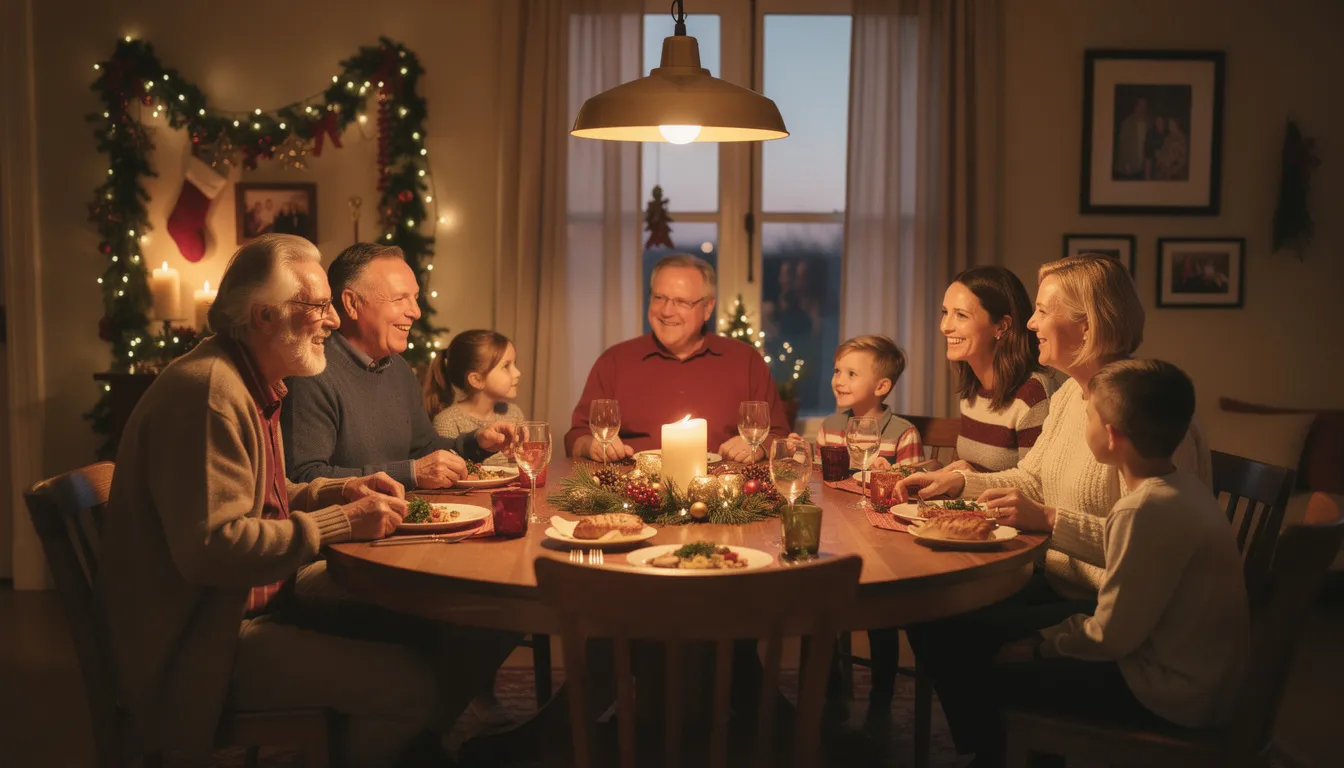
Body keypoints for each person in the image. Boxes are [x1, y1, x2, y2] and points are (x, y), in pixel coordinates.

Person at [94, 234, 479, 765]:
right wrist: (340, 522)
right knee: (410, 686)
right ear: (265, 316)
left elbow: (273, 495)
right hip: (204, 642)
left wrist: (343, 489)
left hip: (246, 603)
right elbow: (215, 547)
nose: (331, 321)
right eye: (317, 306)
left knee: (428, 618)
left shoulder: (253, 381)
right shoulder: (210, 394)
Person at [894, 253, 1212, 757]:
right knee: (933, 616)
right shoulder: (1069, 398)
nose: (1030, 323)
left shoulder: (1142, 415)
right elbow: (1033, 478)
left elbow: (1154, 548)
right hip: (1067, 584)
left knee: (967, 645)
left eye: (1043, 311)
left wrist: (1049, 522)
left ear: (1087, 326)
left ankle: (1007, 750)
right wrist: (958, 484)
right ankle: (992, 751)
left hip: (1121, 610)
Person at [973, 359, 1248, 766]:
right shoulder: (1184, 488)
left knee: (998, 673)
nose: (1083, 425)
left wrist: (1041, 647)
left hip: (1169, 691)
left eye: (1088, 417)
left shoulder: (1143, 511)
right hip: (1198, 678)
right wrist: (1047, 636)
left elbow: (1111, 636)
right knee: (1012, 642)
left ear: (1112, 436)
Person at [282, 242, 515, 490]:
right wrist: (410, 473)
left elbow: (423, 450)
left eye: (414, 298)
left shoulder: (398, 368)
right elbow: (304, 478)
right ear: (351, 304)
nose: (416, 312)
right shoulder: (311, 371)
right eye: (400, 298)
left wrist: (477, 443)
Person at [565, 253, 789, 463]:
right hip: (630, 488)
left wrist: (758, 446)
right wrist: (591, 445)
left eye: (681, 301)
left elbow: (780, 437)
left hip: (726, 487)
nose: (666, 311)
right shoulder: (615, 361)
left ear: (707, 308)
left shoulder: (745, 361)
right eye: (659, 298)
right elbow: (577, 438)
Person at [941, 266, 1058, 473]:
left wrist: (971, 479)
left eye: (961, 315)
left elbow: (1038, 484)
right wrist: (931, 469)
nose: (945, 326)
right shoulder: (973, 390)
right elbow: (971, 468)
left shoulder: (1033, 394)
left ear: (1002, 326)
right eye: (945, 312)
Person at [815, 334, 923, 470]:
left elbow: (911, 480)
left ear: (881, 387)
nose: (839, 381)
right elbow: (819, 475)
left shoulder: (905, 435)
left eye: (851, 374)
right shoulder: (829, 427)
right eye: (837, 371)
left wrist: (884, 473)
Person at [427, 329, 526, 460]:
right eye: (506, 366)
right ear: (477, 380)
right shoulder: (448, 422)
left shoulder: (513, 413)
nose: (517, 373)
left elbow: (524, 462)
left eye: (514, 364)